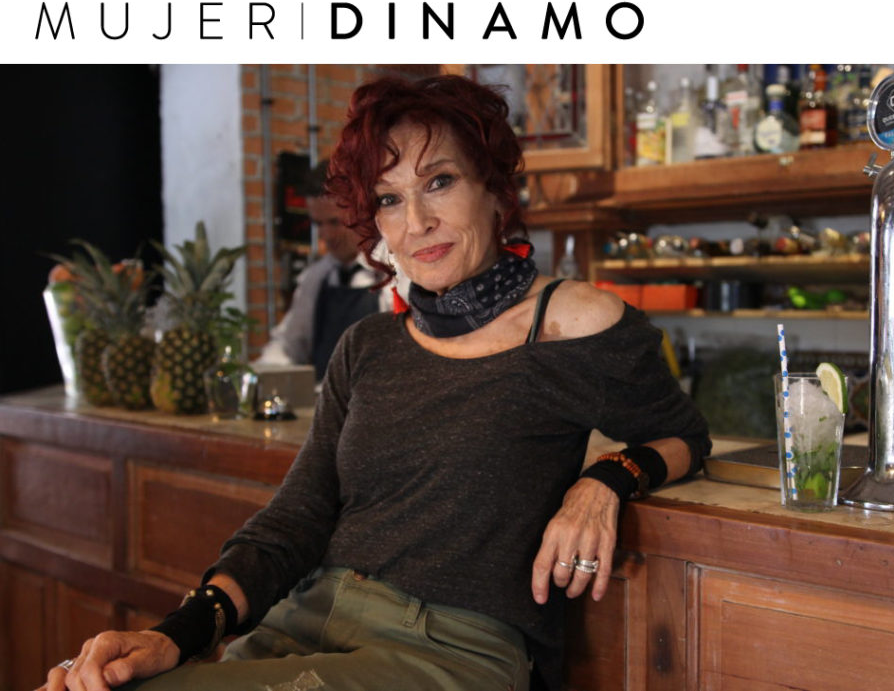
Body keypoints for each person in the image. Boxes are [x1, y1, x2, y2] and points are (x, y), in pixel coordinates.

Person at [40, 75, 711, 691]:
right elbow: (296, 517)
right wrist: (176, 635)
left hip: (447, 649)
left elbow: (684, 434)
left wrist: (606, 479)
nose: (416, 222)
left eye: (439, 181)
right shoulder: (368, 345)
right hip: (305, 619)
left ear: (493, 187)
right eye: (390, 199)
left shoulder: (571, 322)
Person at [259, 162, 386, 381]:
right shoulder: (316, 278)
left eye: (335, 222)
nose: (325, 235)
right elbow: (289, 345)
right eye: (318, 224)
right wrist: (259, 375)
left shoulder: (395, 274)